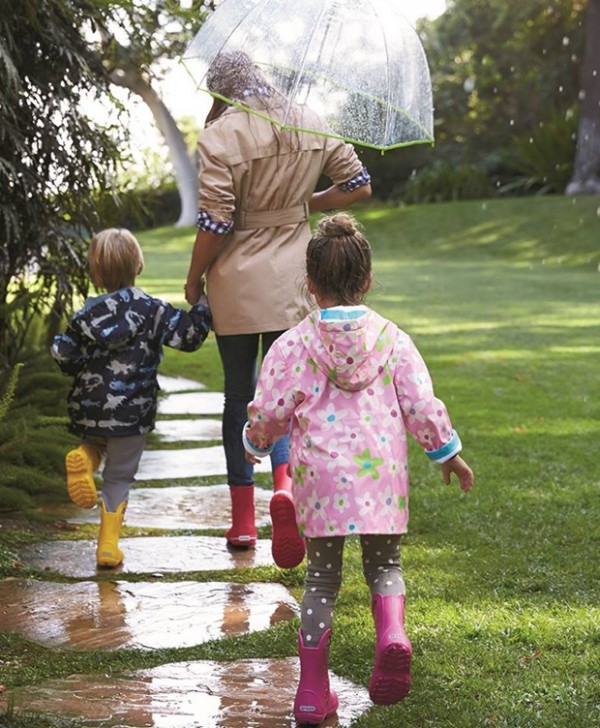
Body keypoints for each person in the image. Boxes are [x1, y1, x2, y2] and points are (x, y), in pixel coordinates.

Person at [242, 213, 474, 723]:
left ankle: (310, 692)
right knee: (385, 568)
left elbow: (270, 411)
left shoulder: (293, 344)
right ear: (367, 281)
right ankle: (391, 634)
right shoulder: (393, 340)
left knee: (321, 581)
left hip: (321, 481)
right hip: (380, 481)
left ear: (309, 283)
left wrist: (255, 439)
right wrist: (448, 453)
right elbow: (420, 406)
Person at [184, 51, 372, 568]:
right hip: (294, 277)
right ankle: (285, 488)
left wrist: (193, 277)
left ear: (221, 88)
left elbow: (216, 224)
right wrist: (302, 206)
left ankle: (244, 521)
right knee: (288, 393)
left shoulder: (220, 136)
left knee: (240, 396)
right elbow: (360, 186)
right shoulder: (309, 120)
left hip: (236, 282)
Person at [51, 228, 211, 568]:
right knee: (119, 477)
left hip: (89, 407)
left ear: (95, 273)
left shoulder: (86, 315)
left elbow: (65, 354)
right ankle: (108, 547)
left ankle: (84, 457)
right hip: (131, 412)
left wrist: (76, 363)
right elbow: (189, 337)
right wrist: (202, 305)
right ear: (138, 264)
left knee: (95, 444)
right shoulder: (152, 310)